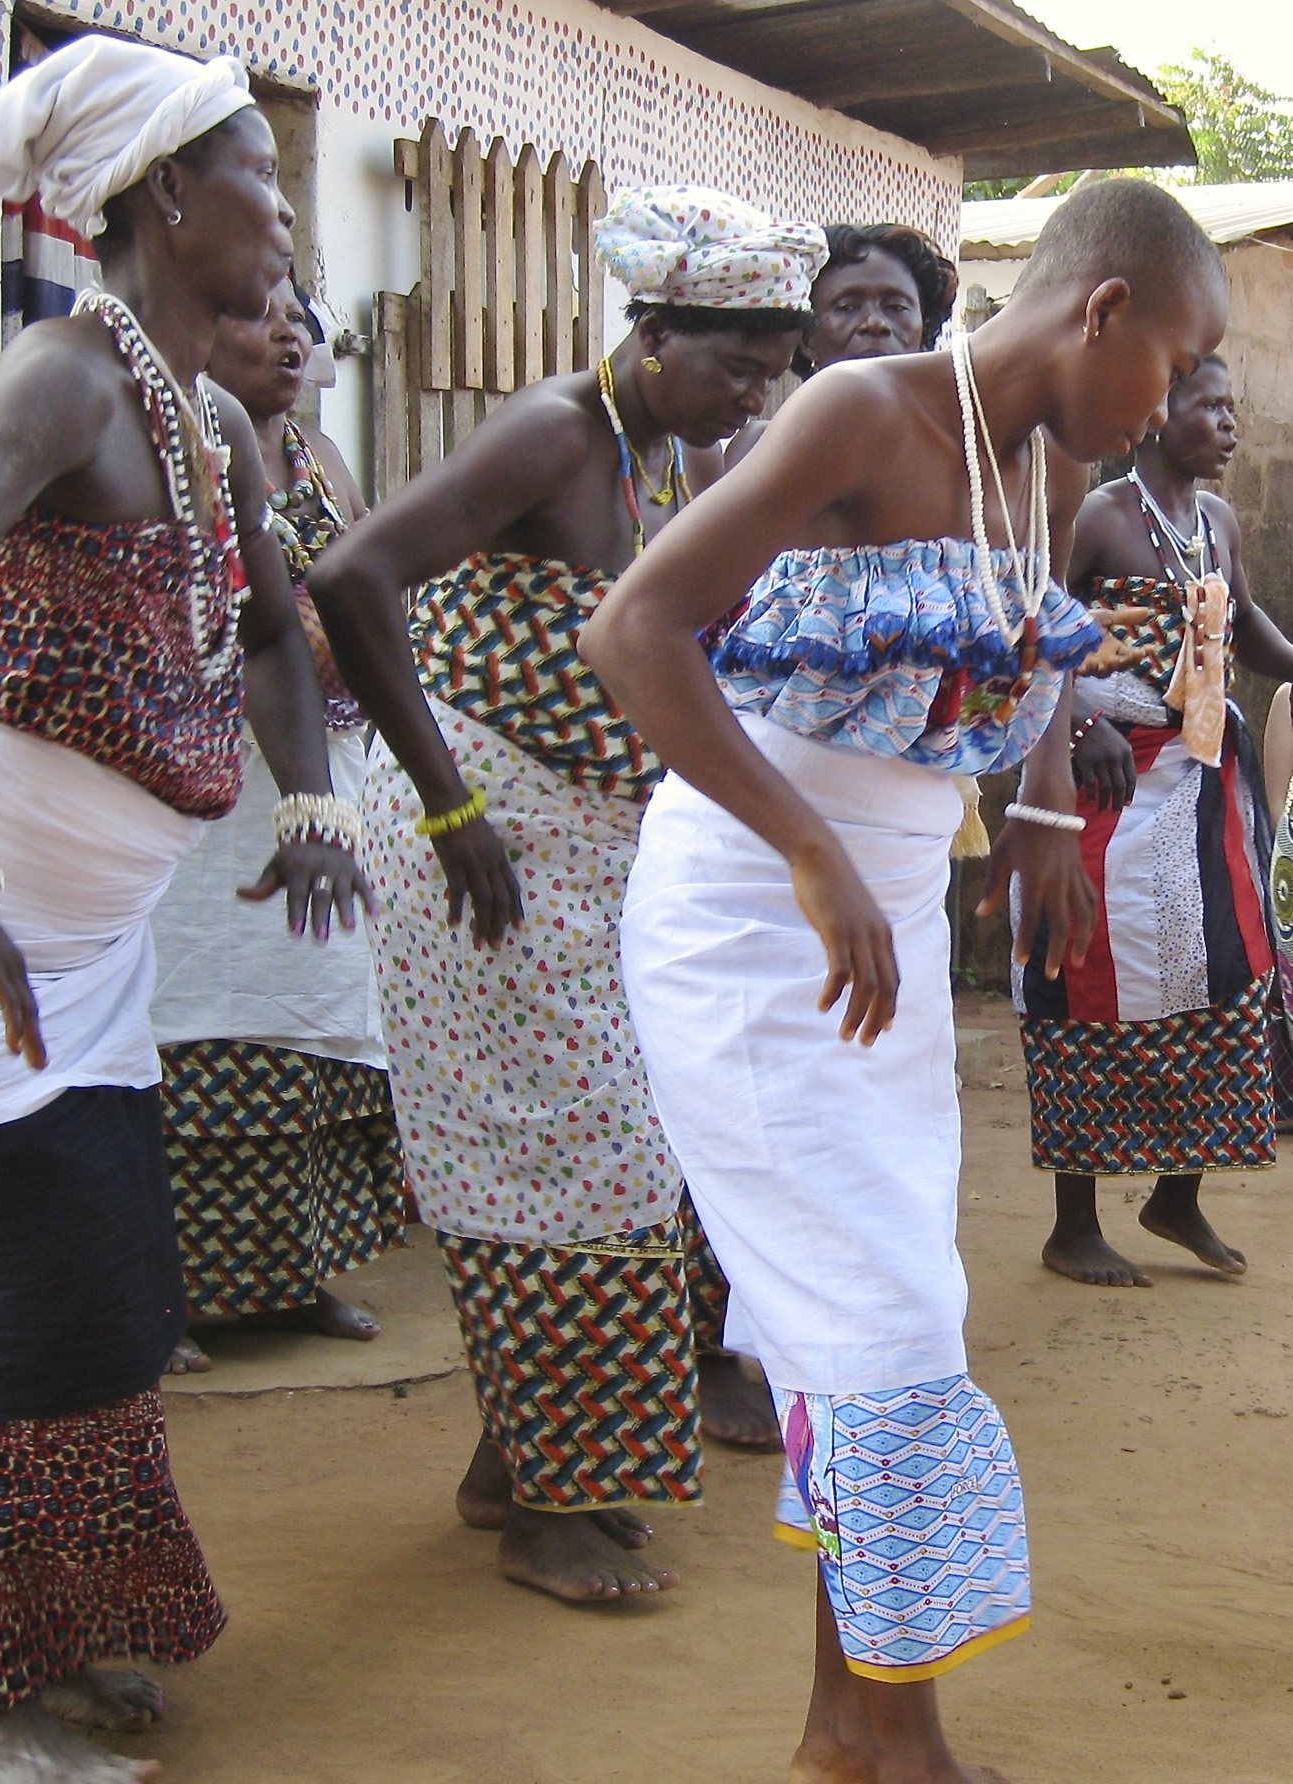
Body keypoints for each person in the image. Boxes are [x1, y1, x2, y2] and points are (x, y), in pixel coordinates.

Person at [583, 179, 1226, 1782]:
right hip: (749, 913)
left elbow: (1010, 683)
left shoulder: (1042, 465)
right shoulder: (856, 414)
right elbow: (634, 628)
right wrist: (804, 844)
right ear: (1103, 312)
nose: (1178, 400)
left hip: (879, 930)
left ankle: (845, 1739)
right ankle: (900, 1747)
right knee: (884, 1319)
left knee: (850, 1327)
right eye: (1179, 358)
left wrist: (1040, 814)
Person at [0, 35, 366, 1784]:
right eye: (259, 169)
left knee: (97, 1291)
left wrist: (315, 801)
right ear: (172, 195)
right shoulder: (62, 378)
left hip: (84, 958)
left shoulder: (206, 427)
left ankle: (69, 1634)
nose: (284, 208)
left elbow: (274, 633)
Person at [310, 187, 823, 1602]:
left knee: (608, 1152)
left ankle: (521, 1463)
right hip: (481, 855)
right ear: (652, 332)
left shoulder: (663, 461)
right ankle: (552, 1501)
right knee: (566, 1157)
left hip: (582, 863)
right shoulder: (554, 430)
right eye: (734, 361)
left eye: (775, 369)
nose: (751, 392)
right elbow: (353, 580)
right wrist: (450, 801)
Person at [702, 222, 962, 1450]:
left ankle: (814, 1353)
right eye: (846, 302)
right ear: (805, 329)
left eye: (893, 304)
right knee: (770, 1101)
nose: (870, 322)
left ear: (930, 324)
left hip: (894, 844)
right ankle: (761, 1347)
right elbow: (673, 629)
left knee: (860, 1102)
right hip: (762, 839)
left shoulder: (959, 471)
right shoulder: (761, 461)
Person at [152, 278, 404, 1368]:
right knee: (197, 1025)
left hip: (317, 771)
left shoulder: (314, 455)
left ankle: (286, 1277)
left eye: (302, 314)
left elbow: (357, 593)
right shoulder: (169, 437)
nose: (290, 332)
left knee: (312, 1015)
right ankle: (166, 1298)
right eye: (258, 312)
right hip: (211, 790)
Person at [1019, 354, 1293, 1287]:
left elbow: (1245, 625)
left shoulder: (1214, 525)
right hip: (1109, 793)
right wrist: (1086, 719)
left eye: (1231, 405)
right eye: (1208, 405)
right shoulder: (1102, 516)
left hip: (1205, 791)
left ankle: (1177, 1194)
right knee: (1082, 981)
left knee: (1227, 976)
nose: (1226, 421)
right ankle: (1074, 1223)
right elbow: (1035, 624)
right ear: (1156, 410)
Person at [725, 220, 959, 468]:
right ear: (807, 340)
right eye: (847, 307)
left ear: (923, 331)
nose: (874, 323)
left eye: (896, 307)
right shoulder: (761, 450)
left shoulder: (959, 460)